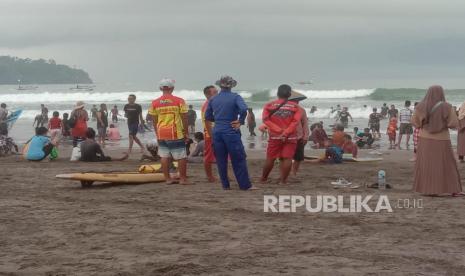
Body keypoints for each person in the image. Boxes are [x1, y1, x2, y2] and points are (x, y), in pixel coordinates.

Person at [205, 75, 254, 190]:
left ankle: (225, 185)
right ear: (231, 86)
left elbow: (207, 116)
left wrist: (218, 120)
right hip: (231, 131)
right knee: (238, 159)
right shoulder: (236, 97)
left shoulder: (213, 99)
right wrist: (240, 121)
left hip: (217, 131)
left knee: (221, 160)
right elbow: (243, 109)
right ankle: (245, 185)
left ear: (220, 85)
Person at [412, 85, 462, 196]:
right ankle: (451, 189)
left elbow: (415, 122)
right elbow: (453, 123)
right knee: (447, 164)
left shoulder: (420, 106)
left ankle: (427, 190)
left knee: (426, 164)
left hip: (424, 139)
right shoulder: (447, 107)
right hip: (442, 139)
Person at [148, 78, 190, 184]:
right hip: (175, 132)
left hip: (161, 132)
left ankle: (167, 179)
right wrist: (186, 132)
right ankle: (183, 179)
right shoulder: (179, 101)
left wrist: (157, 134)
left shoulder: (155, 102)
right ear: (172, 88)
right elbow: (184, 117)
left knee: (164, 156)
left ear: (161, 88)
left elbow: (154, 120)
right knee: (181, 156)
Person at [260, 84, 301, 185]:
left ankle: (264, 178)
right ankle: (283, 181)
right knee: (287, 158)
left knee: (270, 158)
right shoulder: (296, 107)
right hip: (290, 136)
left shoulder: (269, 105)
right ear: (290, 94)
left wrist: (278, 130)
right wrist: (286, 132)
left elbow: (266, 120)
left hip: (275, 136)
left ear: (277, 93)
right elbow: (295, 122)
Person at [290, 91, 309, 177]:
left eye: (297, 101)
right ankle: (289, 171)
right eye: (294, 100)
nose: (296, 102)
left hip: (299, 137)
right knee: (286, 157)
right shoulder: (282, 110)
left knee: (298, 157)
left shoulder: (301, 110)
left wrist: (305, 137)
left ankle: (294, 172)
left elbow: (305, 124)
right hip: (286, 137)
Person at [201, 85, 218, 182]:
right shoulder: (207, 105)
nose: (217, 94)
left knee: (220, 155)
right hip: (210, 134)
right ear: (208, 94)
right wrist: (211, 136)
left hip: (217, 132)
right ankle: (209, 176)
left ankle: (223, 174)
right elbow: (207, 122)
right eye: (215, 92)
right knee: (208, 156)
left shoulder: (213, 103)